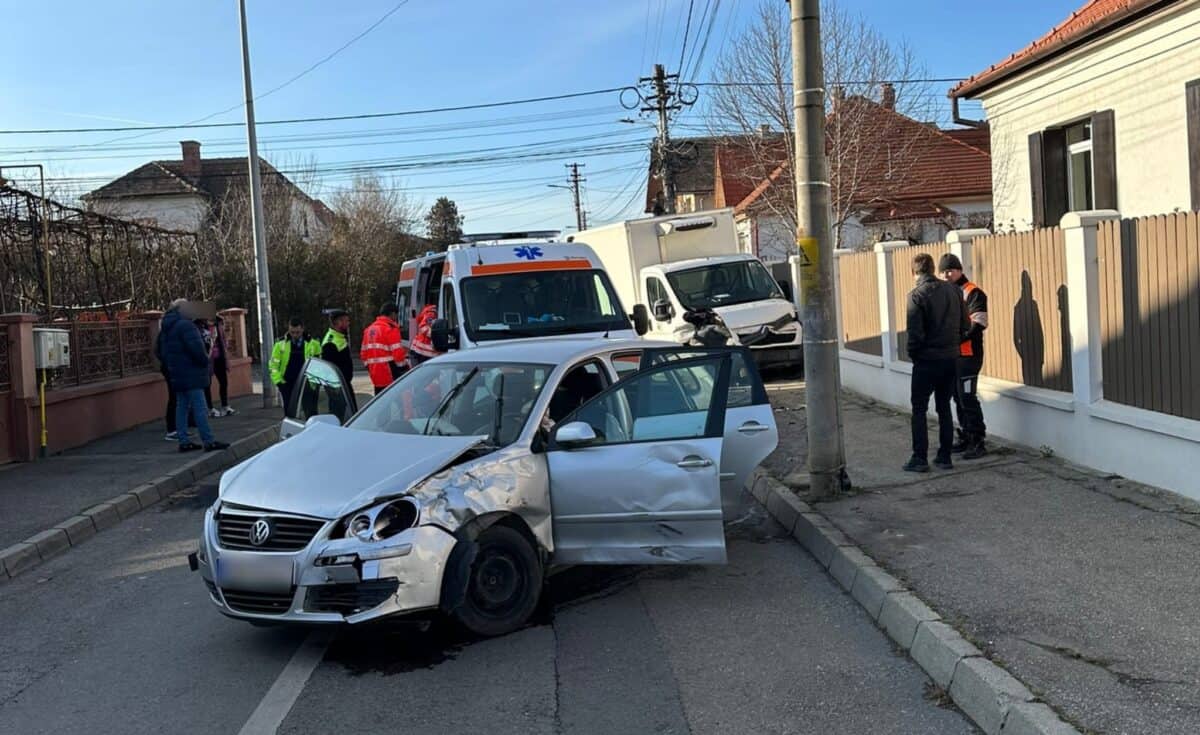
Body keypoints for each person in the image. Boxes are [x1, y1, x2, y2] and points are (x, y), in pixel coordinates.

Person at [904, 254, 967, 473]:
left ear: (914, 273)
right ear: (933, 269)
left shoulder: (916, 296)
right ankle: (945, 456)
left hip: (926, 360)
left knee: (919, 409)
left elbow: (915, 334)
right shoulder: (954, 291)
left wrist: (915, 355)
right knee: (944, 408)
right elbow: (965, 325)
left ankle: (920, 458)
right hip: (950, 358)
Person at [159, 299, 228, 453]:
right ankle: (208, 441)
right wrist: (205, 358)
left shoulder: (166, 327)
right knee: (200, 407)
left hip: (176, 372)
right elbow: (197, 350)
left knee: (181, 406)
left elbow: (162, 351)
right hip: (191, 372)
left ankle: (184, 441)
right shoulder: (186, 326)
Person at [939, 253, 989, 459]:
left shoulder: (973, 293)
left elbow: (979, 323)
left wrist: (958, 340)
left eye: (950, 270)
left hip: (969, 356)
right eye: (943, 271)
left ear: (959, 270)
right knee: (957, 397)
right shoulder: (946, 293)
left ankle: (978, 440)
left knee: (967, 397)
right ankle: (966, 436)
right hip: (953, 356)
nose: (946, 275)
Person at [269, 317, 320, 418]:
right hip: (287, 384)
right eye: (292, 332)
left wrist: (315, 382)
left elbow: (319, 365)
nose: (295, 335)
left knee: (311, 414)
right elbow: (273, 366)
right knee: (290, 414)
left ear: (302, 329)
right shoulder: (280, 344)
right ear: (288, 329)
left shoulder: (314, 344)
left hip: (308, 383)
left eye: (297, 332)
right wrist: (279, 383)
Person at [360, 303, 407, 395]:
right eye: (396, 314)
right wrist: (404, 367)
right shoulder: (390, 328)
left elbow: (363, 355)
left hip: (375, 374)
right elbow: (397, 354)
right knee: (399, 400)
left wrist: (370, 368)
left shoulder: (368, 330)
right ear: (392, 314)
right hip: (390, 372)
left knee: (381, 403)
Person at [322, 309, 357, 413]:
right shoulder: (330, 342)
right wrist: (335, 388)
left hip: (344, 383)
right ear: (338, 322)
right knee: (340, 414)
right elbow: (328, 369)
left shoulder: (340, 337)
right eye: (346, 321)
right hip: (338, 388)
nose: (348, 324)